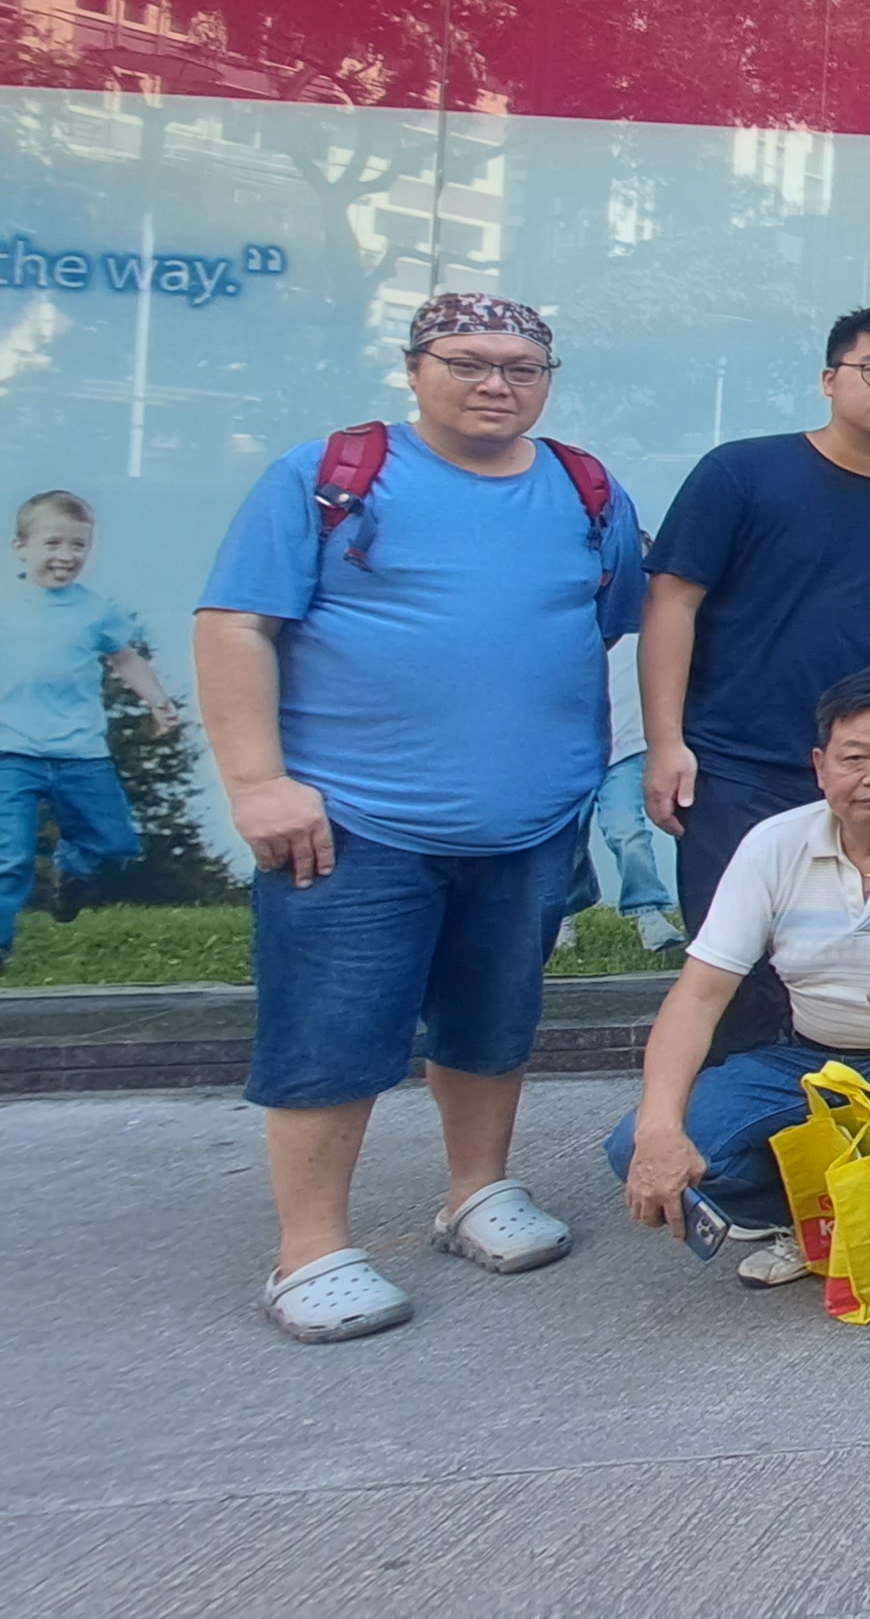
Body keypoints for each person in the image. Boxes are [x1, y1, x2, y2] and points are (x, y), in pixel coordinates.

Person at [197, 293, 649, 1343]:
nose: (497, 384)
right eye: (468, 362)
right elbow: (233, 626)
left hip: (529, 822)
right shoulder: (328, 477)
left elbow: (605, 626)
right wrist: (257, 782)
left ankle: (476, 1191)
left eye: (523, 368)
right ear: (414, 368)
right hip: (353, 821)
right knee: (332, 1030)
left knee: (494, 1020)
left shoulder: (585, 489)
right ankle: (310, 1248)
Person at [611, 670, 870, 1299]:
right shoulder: (773, 844)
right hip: (808, 1053)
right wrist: (657, 1130)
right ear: (819, 766)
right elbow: (698, 996)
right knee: (638, 1144)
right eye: (855, 758)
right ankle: (812, 1212)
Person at [641, 304, 870, 1005]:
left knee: (849, 960)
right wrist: (666, 743)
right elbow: (672, 603)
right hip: (732, 762)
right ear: (829, 378)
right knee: (735, 968)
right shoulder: (740, 473)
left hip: (858, 772)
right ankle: (735, 1078)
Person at [2, 490, 175, 956]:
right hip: (10, 754)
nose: (66, 555)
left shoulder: (96, 611)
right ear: (20, 548)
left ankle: (73, 875)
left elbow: (125, 658)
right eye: (53, 543)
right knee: (8, 859)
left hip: (81, 754)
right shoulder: (6, 604)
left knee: (114, 844)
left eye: (78, 546)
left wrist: (156, 700)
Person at [589, 633, 680, 951]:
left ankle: (648, 911)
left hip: (624, 754)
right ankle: (563, 914)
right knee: (564, 841)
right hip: (569, 753)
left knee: (626, 831)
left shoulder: (642, 632)